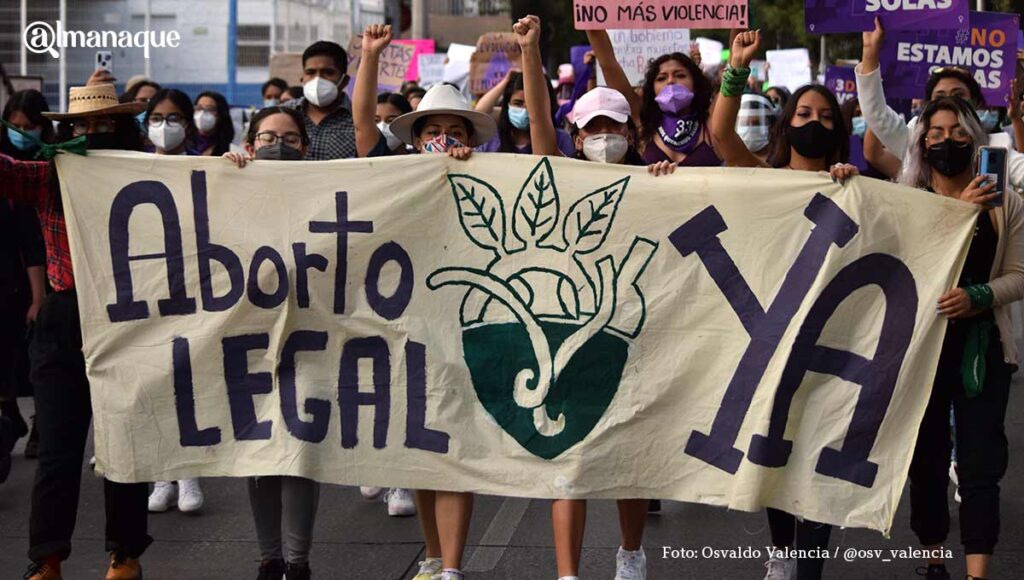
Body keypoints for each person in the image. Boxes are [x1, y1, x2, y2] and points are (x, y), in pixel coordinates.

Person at [519, 14, 679, 579]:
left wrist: (667, 183)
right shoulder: (558, 173)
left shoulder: (651, 176)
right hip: (566, 336)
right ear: (576, 135)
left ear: (628, 132)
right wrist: (531, 51)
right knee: (569, 458)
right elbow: (538, 116)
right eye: (591, 130)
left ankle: (630, 552)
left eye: (613, 126)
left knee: (627, 455)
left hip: (632, 331)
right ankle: (568, 573)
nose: (602, 137)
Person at [710, 30, 858, 580]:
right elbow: (721, 133)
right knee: (774, 445)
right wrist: (736, 68)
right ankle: (782, 552)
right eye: (803, 114)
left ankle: (811, 565)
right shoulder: (762, 180)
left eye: (824, 116)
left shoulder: (857, 189)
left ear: (837, 131)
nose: (813, 123)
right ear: (785, 124)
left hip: (834, 343)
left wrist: (852, 185)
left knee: (816, 448)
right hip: (771, 342)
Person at [354, 24, 494, 580]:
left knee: (454, 443)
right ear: (414, 138)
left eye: (450, 129)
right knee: (419, 445)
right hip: (405, 325)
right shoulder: (392, 172)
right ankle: (432, 556)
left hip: (463, 327)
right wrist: (370, 56)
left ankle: (452, 567)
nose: (439, 136)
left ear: (468, 135)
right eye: (430, 129)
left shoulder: (487, 176)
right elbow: (364, 122)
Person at [0, 82, 151, 580]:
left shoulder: (152, 174)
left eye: (102, 124)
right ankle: (46, 559)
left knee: (124, 446)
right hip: (64, 317)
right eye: (81, 125)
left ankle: (125, 556)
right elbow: (6, 173)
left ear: (123, 127)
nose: (90, 132)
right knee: (59, 451)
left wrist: (234, 165)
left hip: (128, 318)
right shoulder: (52, 174)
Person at [897, 96, 1023, 580]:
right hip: (921, 353)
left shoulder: (1003, 203)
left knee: (980, 464)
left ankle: (977, 571)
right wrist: (955, 213)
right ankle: (932, 556)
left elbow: (1019, 274)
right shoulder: (906, 200)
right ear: (922, 143)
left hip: (982, 349)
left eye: (957, 131)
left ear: (975, 138)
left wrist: (980, 295)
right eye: (936, 133)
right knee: (926, 460)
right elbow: (903, 274)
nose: (946, 141)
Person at [222, 107, 322, 580]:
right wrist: (219, 176)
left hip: (312, 340)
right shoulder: (229, 184)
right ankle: (269, 559)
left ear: (307, 147)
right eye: (265, 137)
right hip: (250, 339)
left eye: (289, 138)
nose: (276, 145)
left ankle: (297, 563)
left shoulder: (330, 192)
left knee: (299, 450)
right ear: (248, 144)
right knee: (259, 451)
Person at [133, 88, 209, 515]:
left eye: (174, 117)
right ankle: (163, 474)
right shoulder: (126, 167)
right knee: (154, 383)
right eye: (157, 117)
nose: (165, 125)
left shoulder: (208, 165)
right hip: (145, 287)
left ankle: (190, 473)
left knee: (188, 380)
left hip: (194, 284)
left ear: (188, 122)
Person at [857, 16, 1024, 191]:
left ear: (975, 103)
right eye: (940, 97)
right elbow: (876, 114)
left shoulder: (996, 148)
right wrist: (870, 52)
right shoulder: (914, 138)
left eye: (958, 95)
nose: (949, 102)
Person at [585, 27, 721, 167]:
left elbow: (735, 67)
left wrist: (739, 29)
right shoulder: (642, 123)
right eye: (661, 78)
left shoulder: (712, 122)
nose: (670, 81)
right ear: (651, 89)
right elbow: (609, 65)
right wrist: (592, 25)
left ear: (696, 83)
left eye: (680, 75)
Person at [0, 89, 51, 460]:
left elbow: (32, 237)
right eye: (13, 126)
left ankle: (39, 424)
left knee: (39, 355)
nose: (20, 132)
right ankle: (12, 415)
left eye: (28, 126)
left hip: (44, 272)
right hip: (13, 273)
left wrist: (38, 295)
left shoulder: (53, 162)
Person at [280, 40, 356, 160]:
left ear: (344, 80)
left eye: (328, 72)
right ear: (302, 78)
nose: (318, 79)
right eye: (310, 72)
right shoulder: (284, 113)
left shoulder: (358, 119)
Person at [473, 69, 575, 156]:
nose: (525, 110)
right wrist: (506, 81)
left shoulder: (561, 140)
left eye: (533, 104)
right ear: (507, 104)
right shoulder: (492, 140)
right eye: (518, 103)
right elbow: (480, 112)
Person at [735, 93, 777, 163]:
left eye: (757, 123)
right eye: (744, 124)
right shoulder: (730, 161)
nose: (750, 129)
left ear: (772, 125)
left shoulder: (783, 161)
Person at [192, 91, 235, 156]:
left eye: (209, 109)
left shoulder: (230, 149)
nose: (202, 113)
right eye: (199, 108)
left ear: (220, 115)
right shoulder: (184, 144)